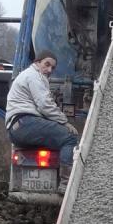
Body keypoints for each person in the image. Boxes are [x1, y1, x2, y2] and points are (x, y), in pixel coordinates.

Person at [5, 50, 78, 179]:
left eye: (53, 68)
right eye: (47, 64)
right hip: (25, 123)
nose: (49, 70)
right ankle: (66, 183)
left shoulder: (27, 75)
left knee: (56, 141)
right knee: (69, 137)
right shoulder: (33, 76)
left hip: (17, 128)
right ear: (37, 62)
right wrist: (64, 121)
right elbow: (45, 104)